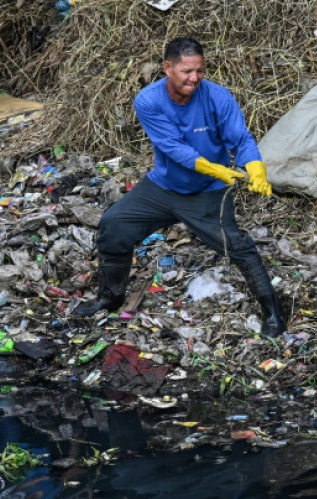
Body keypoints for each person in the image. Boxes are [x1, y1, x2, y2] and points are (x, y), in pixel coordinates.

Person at [74, 37, 286, 337]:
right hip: (163, 187)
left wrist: (255, 168)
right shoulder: (148, 101)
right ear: (168, 68)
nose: (195, 78)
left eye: (200, 70)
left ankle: (273, 313)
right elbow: (173, 147)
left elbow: (241, 139)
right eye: (187, 71)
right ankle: (110, 298)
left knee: (237, 246)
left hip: (208, 191)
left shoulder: (218, 97)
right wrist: (216, 167)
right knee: (114, 224)